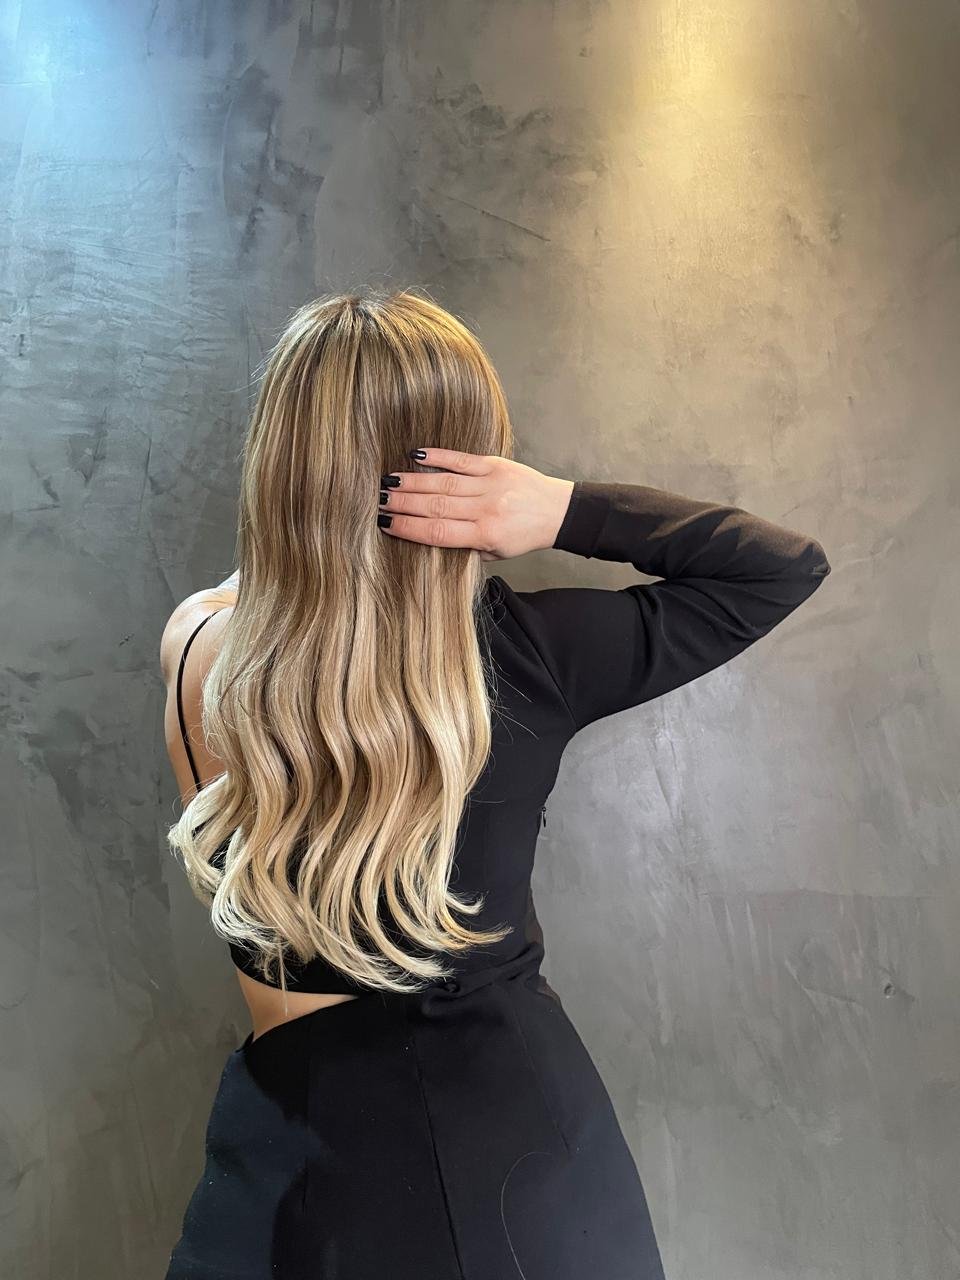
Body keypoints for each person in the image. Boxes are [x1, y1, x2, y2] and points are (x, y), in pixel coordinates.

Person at [159, 289, 830, 1279]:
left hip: (292, 1151)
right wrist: (563, 508)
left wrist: (316, 516)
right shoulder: (530, 654)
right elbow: (781, 568)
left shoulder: (199, 644)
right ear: (467, 465)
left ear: (282, 452)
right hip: (514, 1159)